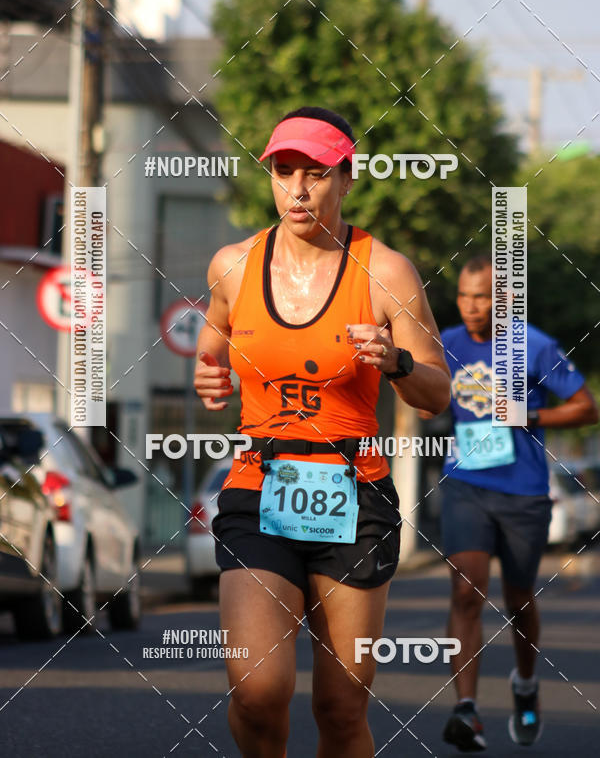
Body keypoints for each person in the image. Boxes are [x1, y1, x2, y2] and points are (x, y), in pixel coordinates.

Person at [194, 106, 451, 758]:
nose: (298, 189)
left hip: (354, 495)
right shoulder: (233, 265)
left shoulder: (385, 272)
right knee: (257, 692)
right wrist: (209, 377)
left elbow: (437, 392)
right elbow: (212, 342)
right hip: (259, 487)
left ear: (347, 177)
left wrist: (395, 363)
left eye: (315, 173)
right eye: (284, 172)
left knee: (340, 709)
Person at [433, 255, 598, 752]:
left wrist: (531, 415)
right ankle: (466, 709)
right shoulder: (446, 342)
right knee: (466, 591)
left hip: (523, 490)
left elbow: (586, 406)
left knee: (518, 600)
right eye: (464, 295)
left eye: (482, 296)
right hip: (464, 483)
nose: (471, 306)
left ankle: (526, 684)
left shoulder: (533, 344)